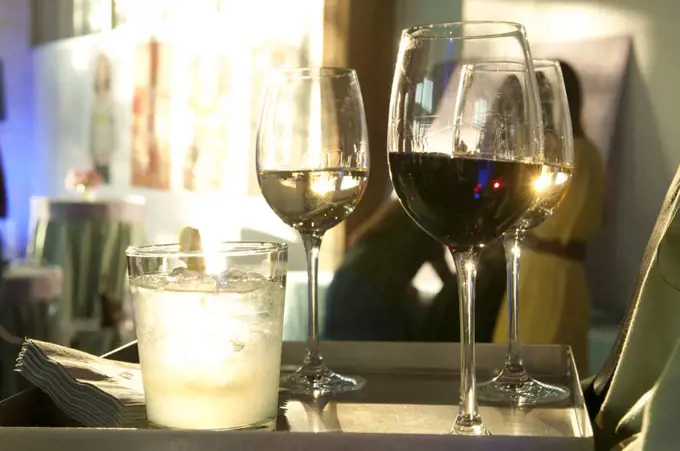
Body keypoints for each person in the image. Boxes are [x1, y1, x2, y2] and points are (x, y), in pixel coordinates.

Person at [491, 61, 606, 373]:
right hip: (533, 273)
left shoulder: (578, 155)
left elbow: (555, 224)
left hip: (553, 277)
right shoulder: (564, 155)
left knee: (544, 365)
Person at [89, 54, 116, 184]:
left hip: (107, 147)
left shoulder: (112, 97)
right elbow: (90, 127)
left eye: (104, 70)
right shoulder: (92, 98)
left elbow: (114, 125)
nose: (102, 74)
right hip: (96, 146)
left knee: (105, 180)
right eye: (100, 71)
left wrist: (111, 149)